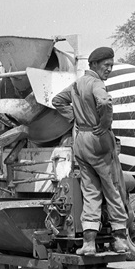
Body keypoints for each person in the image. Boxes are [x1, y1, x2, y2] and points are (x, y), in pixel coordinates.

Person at [52, 46, 129, 255]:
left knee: (90, 192)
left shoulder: (77, 84)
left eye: (111, 65)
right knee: (112, 187)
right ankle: (120, 238)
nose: (110, 69)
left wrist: (75, 117)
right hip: (98, 139)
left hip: (81, 140)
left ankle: (89, 243)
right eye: (106, 65)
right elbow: (104, 101)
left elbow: (57, 101)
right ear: (93, 64)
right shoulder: (96, 84)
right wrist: (104, 123)